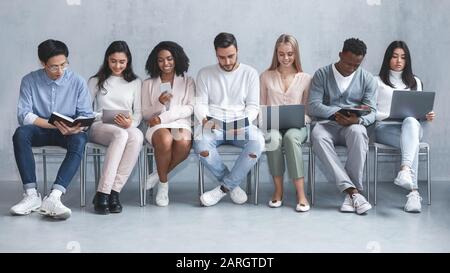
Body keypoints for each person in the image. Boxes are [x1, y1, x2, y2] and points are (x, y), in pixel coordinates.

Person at [11, 39, 93, 220]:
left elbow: (86, 114)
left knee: (80, 139)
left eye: (64, 65)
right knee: (20, 133)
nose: (60, 71)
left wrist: (75, 127)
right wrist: (53, 124)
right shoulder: (29, 80)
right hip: (41, 129)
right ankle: (31, 195)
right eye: (53, 67)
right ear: (43, 64)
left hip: (68, 133)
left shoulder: (77, 82)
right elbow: (23, 115)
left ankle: (54, 197)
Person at [194, 32, 265, 207]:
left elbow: (253, 106)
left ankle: (222, 190)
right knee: (201, 144)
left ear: (237, 50)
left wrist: (241, 124)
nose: (227, 62)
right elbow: (200, 104)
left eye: (231, 56)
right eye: (221, 57)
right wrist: (205, 119)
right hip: (214, 124)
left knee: (258, 141)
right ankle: (232, 186)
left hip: (241, 123)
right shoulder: (205, 73)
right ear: (215, 53)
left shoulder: (250, 73)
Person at [308, 38, 377, 215]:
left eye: (356, 65)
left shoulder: (367, 79)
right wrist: (338, 113)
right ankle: (354, 192)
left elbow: (372, 111)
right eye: (348, 63)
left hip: (353, 125)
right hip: (327, 124)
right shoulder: (322, 74)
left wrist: (357, 121)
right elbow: (313, 106)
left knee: (359, 132)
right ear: (340, 54)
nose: (351, 68)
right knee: (317, 136)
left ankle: (350, 196)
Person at [374, 40, 435, 213]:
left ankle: (405, 170)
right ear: (388, 59)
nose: (399, 61)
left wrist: (427, 115)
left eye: (403, 57)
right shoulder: (376, 81)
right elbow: (371, 111)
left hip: (412, 127)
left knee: (410, 122)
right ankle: (413, 194)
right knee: (412, 143)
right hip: (386, 128)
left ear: (407, 60)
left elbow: (419, 113)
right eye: (394, 56)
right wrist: (389, 114)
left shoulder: (415, 82)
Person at [88, 41, 143, 214]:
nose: (117, 65)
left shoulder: (135, 82)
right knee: (121, 135)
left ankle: (114, 192)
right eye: (113, 61)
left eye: (122, 62)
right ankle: (103, 192)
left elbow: (138, 112)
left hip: (125, 126)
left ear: (128, 62)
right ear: (107, 60)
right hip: (100, 126)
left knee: (137, 136)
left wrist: (131, 123)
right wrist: (104, 115)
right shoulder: (95, 81)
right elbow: (85, 111)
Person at [260, 34, 312, 212]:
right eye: (281, 54)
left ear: (296, 54)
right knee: (273, 138)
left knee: (290, 138)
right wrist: (266, 120)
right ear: (276, 54)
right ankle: (278, 190)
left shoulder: (305, 78)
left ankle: (301, 194)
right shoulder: (266, 76)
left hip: (297, 127)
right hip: (273, 125)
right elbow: (261, 106)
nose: (286, 58)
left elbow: (308, 111)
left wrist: (299, 118)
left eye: (290, 54)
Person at [142, 41, 194, 206]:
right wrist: (158, 103)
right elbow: (145, 114)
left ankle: (158, 174)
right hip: (157, 126)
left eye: (170, 59)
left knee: (184, 142)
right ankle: (163, 186)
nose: (166, 63)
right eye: (161, 60)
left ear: (177, 59)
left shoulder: (188, 81)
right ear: (155, 62)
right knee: (165, 140)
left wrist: (164, 117)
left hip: (179, 123)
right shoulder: (148, 84)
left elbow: (190, 107)